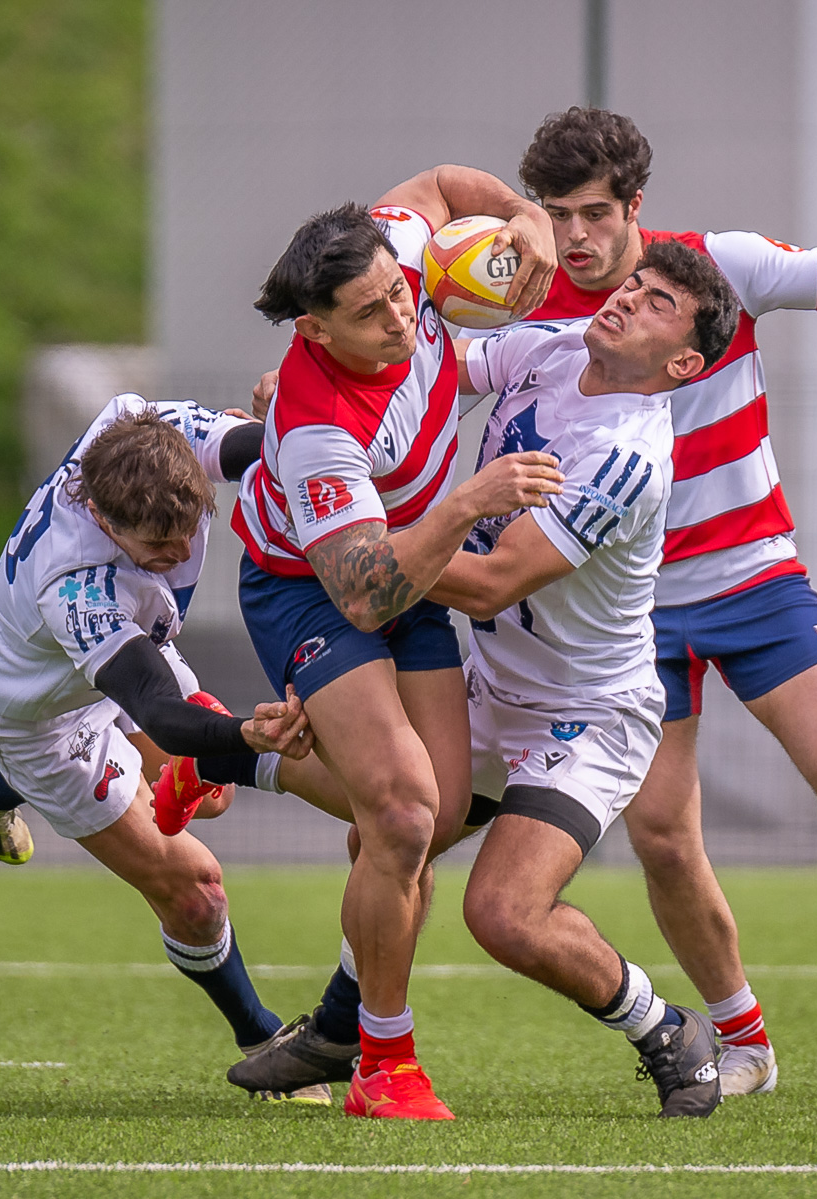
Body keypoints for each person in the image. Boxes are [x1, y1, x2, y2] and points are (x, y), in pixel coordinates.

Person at [507, 107, 817, 1094]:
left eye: (594, 213)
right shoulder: (530, 306)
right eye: (556, 214)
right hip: (630, 614)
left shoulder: (716, 268)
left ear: (636, 205)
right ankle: (745, 1041)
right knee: (663, 835)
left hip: (754, 575)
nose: (574, 237)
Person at [206, 172, 564, 1120]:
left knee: (427, 818)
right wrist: (468, 502)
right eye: (369, 315)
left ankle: (234, 755)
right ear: (315, 330)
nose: (402, 316)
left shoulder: (397, 247)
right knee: (402, 817)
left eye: (398, 294)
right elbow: (365, 594)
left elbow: (444, 184)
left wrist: (526, 215)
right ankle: (384, 1063)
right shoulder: (317, 429)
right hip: (315, 591)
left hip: (409, 561)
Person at [0, 395, 326, 1102]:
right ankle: (263, 1039)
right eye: (158, 547)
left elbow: (274, 444)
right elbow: (164, 716)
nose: (180, 555)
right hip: (34, 716)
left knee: (214, 799)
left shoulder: (144, 430)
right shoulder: (74, 587)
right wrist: (245, 732)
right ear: (105, 522)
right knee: (197, 892)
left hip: (118, 654)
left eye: (187, 533)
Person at [424, 238, 741, 1117]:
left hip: (585, 714)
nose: (627, 296)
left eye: (657, 302)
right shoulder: (554, 344)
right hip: (492, 681)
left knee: (504, 913)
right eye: (635, 283)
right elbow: (435, 372)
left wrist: (356, 546)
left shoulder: (626, 453)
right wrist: (320, 401)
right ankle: (355, 1032)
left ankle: (668, 1029)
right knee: (391, 829)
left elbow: (492, 580)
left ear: (683, 364)